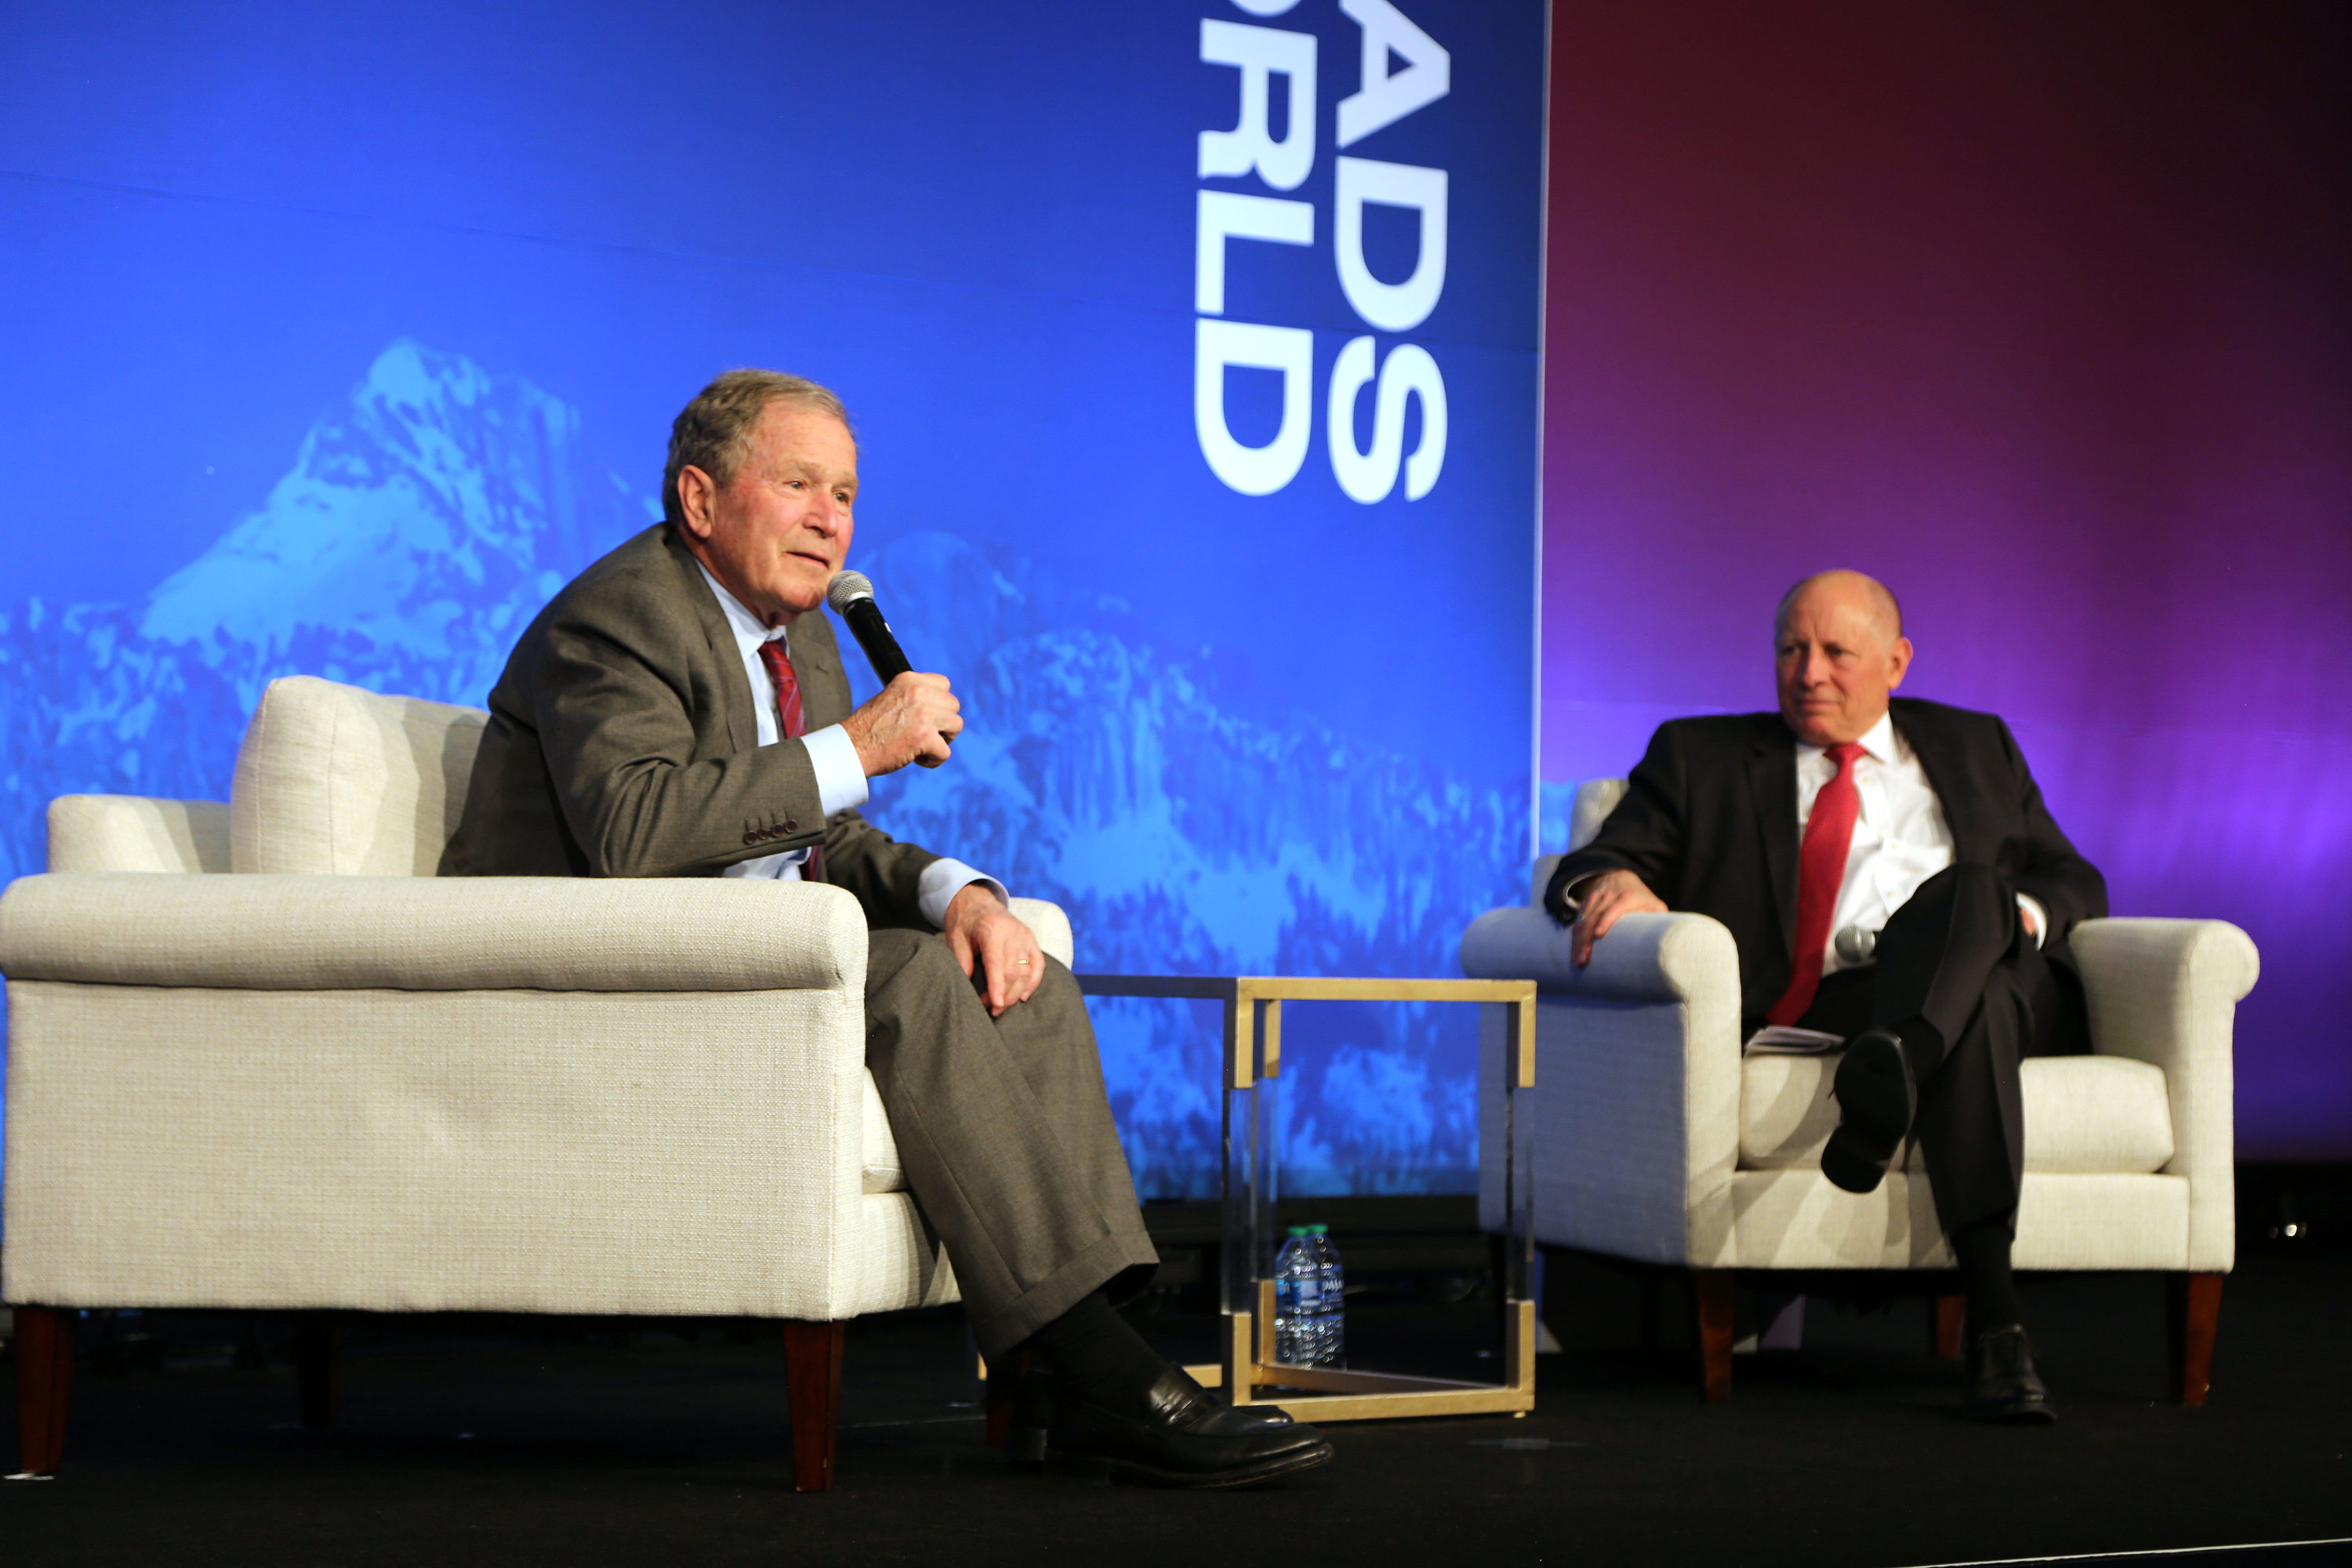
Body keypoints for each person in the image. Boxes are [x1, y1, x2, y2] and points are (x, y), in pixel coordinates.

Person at [441, 368, 1332, 1486]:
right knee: (909, 979)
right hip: (596, 988)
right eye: (798, 485)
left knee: (1020, 975)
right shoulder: (617, 619)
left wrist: (960, 895)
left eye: (846, 494)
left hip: (751, 968)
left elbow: (815, 837)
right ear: (700, 500)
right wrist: (860, 747)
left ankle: (1070, 1372)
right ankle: (1110, 1375)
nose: (830, 520)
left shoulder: (803, 635)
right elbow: (636, 828)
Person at [1543, 570, 2105, 1423]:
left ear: (1896, 661)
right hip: (1839, 1001)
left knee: (1974, 900)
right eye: (1790, 650)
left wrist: (2010, 918)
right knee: (1976, 1003)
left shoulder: (1978, 745)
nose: (1808, 673)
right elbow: (1599, 860)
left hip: (2004, 975)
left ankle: (1904, 1057)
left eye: (1836, 652)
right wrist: (1607, 879)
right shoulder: (1700, 757)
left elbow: (2074, 878)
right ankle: (1998, 1328)